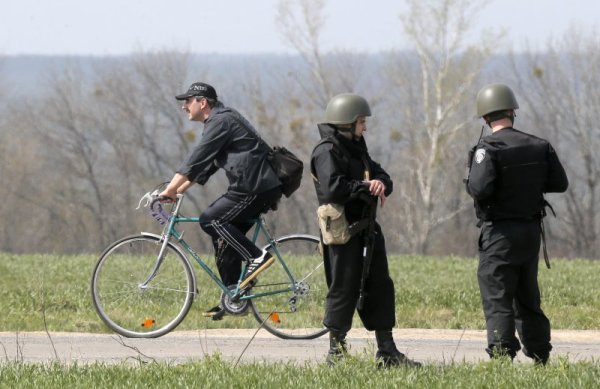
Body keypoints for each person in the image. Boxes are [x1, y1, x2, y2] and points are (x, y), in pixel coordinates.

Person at [310, 93, 421, 368]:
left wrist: (380, 183)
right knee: (343, 289)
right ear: (346, 123)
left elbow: (382, 175)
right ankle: (336, 353)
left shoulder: (357, 147)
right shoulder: (327, 151)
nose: (365, 127)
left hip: (368, 231)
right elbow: (333, 187)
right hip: (343, 234)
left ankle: (387, 351)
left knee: (380, 287)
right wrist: (365, 187)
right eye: (361, 122)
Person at [160, 82, 282, 320]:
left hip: (253, 188)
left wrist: (170, 188)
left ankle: (258, 257)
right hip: (254, 187)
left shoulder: (221, 121)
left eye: (188, 101)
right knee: (223, 238)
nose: (184, 107)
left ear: (202, 102)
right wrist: (179, 190)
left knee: (209, 219)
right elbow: (208, 165)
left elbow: (196, 158)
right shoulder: (219, 121)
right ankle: (233, 295)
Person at [465, 83, 569, 364]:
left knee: (497, 294)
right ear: (512, 112)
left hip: (499, 233)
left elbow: (478, 188)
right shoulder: (539, 145)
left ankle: (501, 355)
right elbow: (559, 183)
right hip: (530, 232)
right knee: (527, 295)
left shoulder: (488, 148)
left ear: (485, 117)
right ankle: (540, 353)